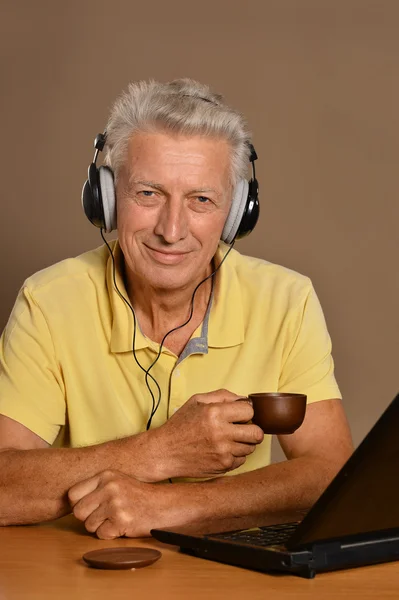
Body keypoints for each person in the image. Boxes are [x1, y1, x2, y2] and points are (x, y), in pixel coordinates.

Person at [0, 78, 353, 539]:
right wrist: (159, 451)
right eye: (148, 193)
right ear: (106, 199)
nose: (172, 229)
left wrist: (169, 506)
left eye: (201, 200)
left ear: (235, 213)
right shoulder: (48, 301)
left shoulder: (288, 300)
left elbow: (330, 473)